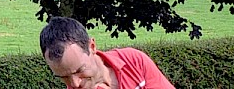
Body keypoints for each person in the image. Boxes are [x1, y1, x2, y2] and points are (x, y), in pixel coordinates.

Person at [40, 16, 175, 89]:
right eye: (63, 77)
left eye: (79, 70)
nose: (74, 84)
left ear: (92, 47)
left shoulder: (133, 61)